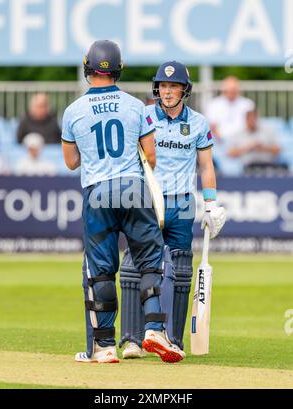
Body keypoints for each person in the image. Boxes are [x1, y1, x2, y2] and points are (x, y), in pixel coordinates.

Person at [61, 40, 185, 364]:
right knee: (149, 260)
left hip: (98, 191)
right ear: (118, 68)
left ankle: (103, 347)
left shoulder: (73, 111)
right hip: (133, 187)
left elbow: (71, 162)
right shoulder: (135, 107)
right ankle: (154, 329)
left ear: (88, 67)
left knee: (100, 271)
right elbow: (151, 155)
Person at [119, 61, 226, 359]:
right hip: (147, 201)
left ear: (184, 90)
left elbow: (206, 166)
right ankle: (133, 340)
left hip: (180, 204)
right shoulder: (142, 116)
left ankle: (173, 339)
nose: (166, 92)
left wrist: (210, 204)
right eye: (163, 86)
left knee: (179, 271)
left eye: (173, 86)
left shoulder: (199, 123)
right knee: (134, 268)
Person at [206, 76, 255, 142]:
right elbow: (211, 126)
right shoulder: (214, 104)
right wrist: (219, 138)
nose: (231, 92)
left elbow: (252, 124)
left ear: (238, 90)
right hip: (219, 141)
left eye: (233, 90)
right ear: (223, 90)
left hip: (243, 141)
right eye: (229, 90)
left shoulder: (248, 104)